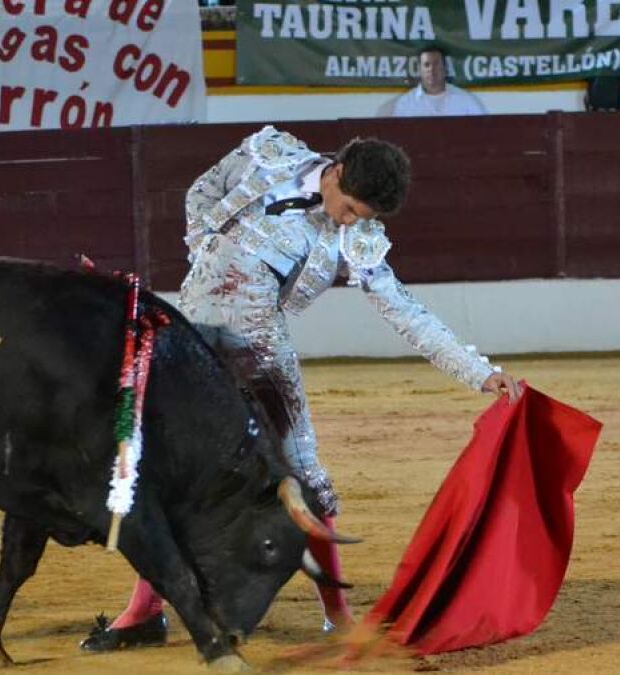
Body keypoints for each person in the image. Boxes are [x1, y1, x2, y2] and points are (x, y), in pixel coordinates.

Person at [79, 126, 521, 652]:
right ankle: (144, 612)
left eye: (361, 216)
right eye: (350, 208)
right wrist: (205, 244)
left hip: (261, 349)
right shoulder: (270, 153)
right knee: (166, 467)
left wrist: (478, 371)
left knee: (301, 472)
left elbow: (405, 311)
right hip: (191, 334)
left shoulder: (355, 237)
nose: (349, 221)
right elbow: (203, 189)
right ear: (336, 173)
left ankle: (337, 613)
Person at [387, 45, 487, 117]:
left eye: (436, 64)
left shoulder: (466, 100)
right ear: (419, 70)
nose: (431, 69)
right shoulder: (405, 103)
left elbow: (483, 130)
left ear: (445, 68)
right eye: (426, 65)